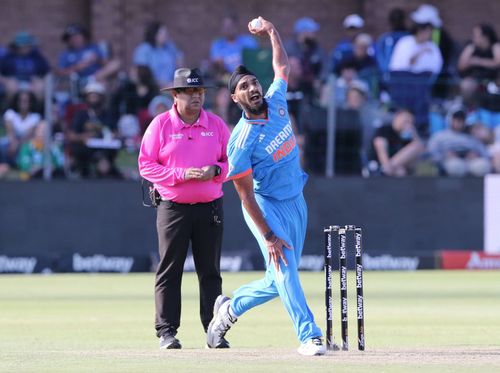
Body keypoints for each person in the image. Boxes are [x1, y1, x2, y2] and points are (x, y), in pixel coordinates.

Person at [205, 17, 325, 356]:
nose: (252, 88)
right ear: (234, 97)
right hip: (266, 206)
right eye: (243, 87)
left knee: (278, 282)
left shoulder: (277, 100)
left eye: (254, 83)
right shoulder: (240, 141)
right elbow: (243, 193)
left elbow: (282, 65)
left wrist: (273, 31)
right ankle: (309, 335)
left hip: (295, 200)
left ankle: (229, 309)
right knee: (287, 272)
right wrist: (269, 234)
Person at [138, 68, 230, 349]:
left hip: (209, 207)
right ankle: (166, 331)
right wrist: (181, 175)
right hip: (173, 208)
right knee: (169, 270)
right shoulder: (161, 125)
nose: (196, 97)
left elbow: (232, 163)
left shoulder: (216, 125)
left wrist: (215, 169)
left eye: (200, 92)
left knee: (210, 271)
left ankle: (214, 331)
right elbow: (145, 165)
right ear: (175, 96)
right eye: (190, 92)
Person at [427, 109, 491, 177]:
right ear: (451, 120)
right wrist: (444, 157)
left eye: (461, 120)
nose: (459, 122)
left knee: (482, 166)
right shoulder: (439, 136)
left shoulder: (471, 137)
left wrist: (476, 155)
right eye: (457, 120)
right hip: (450, 162)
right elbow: (432, 152)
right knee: (456, 166)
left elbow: (485, 154)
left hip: (470, 162)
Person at [369, 109, 425, 176]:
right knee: (399, 171)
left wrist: (413, 133)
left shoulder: (406, 135)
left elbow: (420, 149)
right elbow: (380, 148)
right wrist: (387, 166)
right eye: (406, 120)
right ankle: (384, 170)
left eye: (410, 122)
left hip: (395, 167)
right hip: (380, 164)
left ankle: (386, 170)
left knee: (401, 171)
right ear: (397, 117)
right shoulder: (384, 129)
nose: (407, 123)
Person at [0, 31, 50, 101]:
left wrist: (39, 80)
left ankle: (37, 110)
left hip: (32, 83)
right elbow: (1, 74)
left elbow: (47, 72)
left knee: (39, 87)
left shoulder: (37, 56)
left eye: (28, 45)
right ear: (18, 46)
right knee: (11, 87)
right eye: (25, 45)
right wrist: (7, 81)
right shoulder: (8, 57)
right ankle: (11, 110)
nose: (27, 47)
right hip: (14, 83)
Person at [133, 22, 184, 88]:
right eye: (162, 33)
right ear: (154, 34)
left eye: (166, 33)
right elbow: (141, 74)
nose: (165, 36)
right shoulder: (144, 50)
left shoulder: (170, 47)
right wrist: (162, 85)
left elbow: (179, 62)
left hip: (171, 86)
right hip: (152, 88)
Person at [458, 23, 500, 87]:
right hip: (476, 78)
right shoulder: (471, 46)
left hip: (494, 78)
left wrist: (478, 61)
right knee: (466, 84)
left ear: (485, 37)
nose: (473, 38)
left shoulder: (495, 46)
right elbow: (461, 66)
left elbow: (497, 63)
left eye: (476, 35)